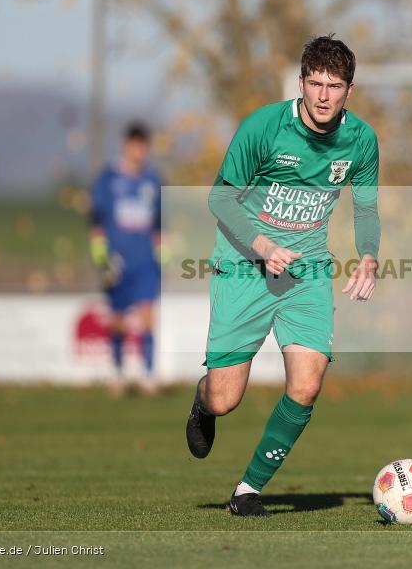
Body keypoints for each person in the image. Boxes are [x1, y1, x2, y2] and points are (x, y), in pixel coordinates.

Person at [185, 35, 381, 517]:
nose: (323, 95)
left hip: (308, 272)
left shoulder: (361, 141)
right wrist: (264, 246)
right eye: (315, 83)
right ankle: (202, 401)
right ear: (301, 82)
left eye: (334, 86)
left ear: (349, 91)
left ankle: (248, 490)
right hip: (243, 268)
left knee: (307, 385)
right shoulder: (263, 127)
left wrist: (369, 256)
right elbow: (220, 198)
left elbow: (367, 207)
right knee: (226, 398)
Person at [89, 122, 163, 396]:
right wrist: (100, 252)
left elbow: (159, 222)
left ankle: (148, 375)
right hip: (117, 259)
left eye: (143, 145)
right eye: (135, 144)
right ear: (126, 145)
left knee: (147, 315)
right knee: (118, 318)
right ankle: (118, 374)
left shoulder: (152, 181)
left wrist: (161, 247)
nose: (139, 151)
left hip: (145, 259)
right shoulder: (108, 179)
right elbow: (96, 219)